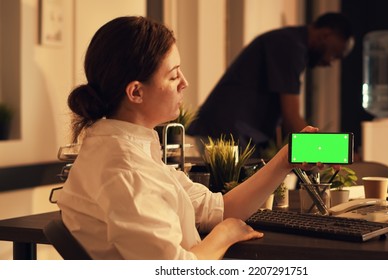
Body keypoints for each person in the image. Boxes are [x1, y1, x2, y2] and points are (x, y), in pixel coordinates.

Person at [57, 16, 319, 260]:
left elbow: (219, 209)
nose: (184, 83)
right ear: (136, 92)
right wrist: (225, 234)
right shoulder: (126, 171)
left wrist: (284, 160)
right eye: (173, 75)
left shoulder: (133, 148)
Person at [187, 12, 354, 155]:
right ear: (326, 34)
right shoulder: (290, 46)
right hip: (226, 134)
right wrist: (331, 153)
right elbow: (291, 118)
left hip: (227, 132)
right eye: (335, 54)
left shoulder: (290, 43)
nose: (330, 62)